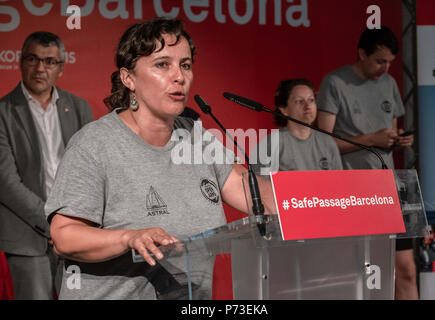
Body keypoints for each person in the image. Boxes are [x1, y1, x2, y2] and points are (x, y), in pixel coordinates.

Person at [44, 18, 272, 300]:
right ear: (128, 79)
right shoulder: (93, 145)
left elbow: (258, 196)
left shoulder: (197, 139)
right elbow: (64, 237)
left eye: (185, 65)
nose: (179, 76)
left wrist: (326, 199)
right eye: (162, 64)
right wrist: (128, 237)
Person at [316, 26, 418, 300]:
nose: (385, 68)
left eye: (390, 62)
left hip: (389, 188)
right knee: (361, 272)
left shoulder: (389, 84)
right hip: (352, 189)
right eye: (379, 61)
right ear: (362, 53)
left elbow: (389, 132)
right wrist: (371, 138)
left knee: (406, 269)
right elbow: (323, 144)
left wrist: (397, 141)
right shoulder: (335, 83)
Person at [0, 31, 93, 299]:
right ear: (20, 62)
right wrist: (52, 222)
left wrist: (74, 222)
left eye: (50, 61)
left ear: (60, 68)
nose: (40, 68)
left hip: (76, 233)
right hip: (26, 236)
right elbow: (6, 182)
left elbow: (90, 173)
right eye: (33, 59)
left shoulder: (79, 108)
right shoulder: (3, 112)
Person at [252, 78, 342, 174]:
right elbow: (259, 184)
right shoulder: (271, 144)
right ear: (284, 109)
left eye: (311, 100)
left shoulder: (327, 142)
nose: (307, 106)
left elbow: (340, 183)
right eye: (299, 101)